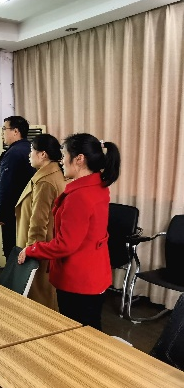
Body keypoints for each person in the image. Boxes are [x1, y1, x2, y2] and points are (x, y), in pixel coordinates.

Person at [18, 133, 120, 331]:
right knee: (90, 330)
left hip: (78, 279)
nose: (62, 161)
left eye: (64, 155)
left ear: (79, 159)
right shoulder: (98, 186)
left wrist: (32, 250)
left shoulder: (79, 196)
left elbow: (65, 244)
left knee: (76, 334)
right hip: (94, 273)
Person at [14, 134, 65, 310]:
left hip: (38, 246)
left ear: (42, 154)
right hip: (48, 244)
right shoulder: (54, 174)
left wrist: (31, 250)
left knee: (36, 295)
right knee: (45, 293)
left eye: (31, 150)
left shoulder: (45, 182)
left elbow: (38, 222)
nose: (29, 155)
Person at [0, 116, 35, 258]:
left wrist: (0, 213)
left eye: (5, 129)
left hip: (13, 212)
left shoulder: (12, 153)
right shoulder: (33, 149)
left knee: (11, 251)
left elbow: (4, 186)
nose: (2, 133)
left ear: (16, 131)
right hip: (31, 210)